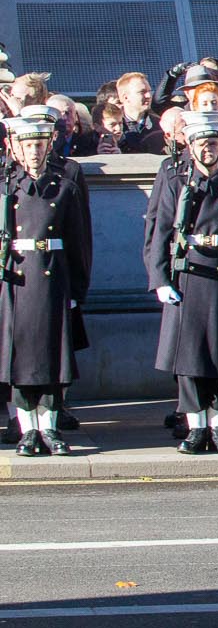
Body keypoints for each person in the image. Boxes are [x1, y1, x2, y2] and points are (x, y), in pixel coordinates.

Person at [145, 111, 218, 454]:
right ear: (189, 146)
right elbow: (160, 232)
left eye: (214, 143)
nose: (208, 149)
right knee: (190, 359)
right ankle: (195, 426)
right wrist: (160, 278)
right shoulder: (178, 183)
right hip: (188, 274)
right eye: (201, 144)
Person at [3, 114, 92, 456]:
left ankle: (50, 427)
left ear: (49, 144)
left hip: (54, 279)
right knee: (22, 359)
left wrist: (77, 290)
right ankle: (27, 429)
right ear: (18, 150)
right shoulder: (7, 189)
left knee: (52, 358)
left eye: (39, 144)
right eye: (28, 146)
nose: (35, 151)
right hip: (19, 279)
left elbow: (79, 243)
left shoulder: (64, 188)